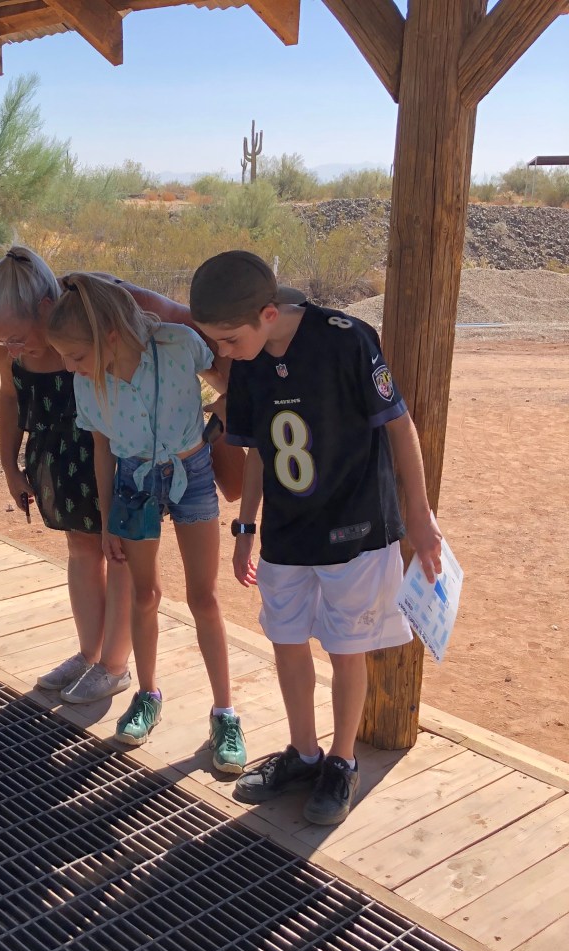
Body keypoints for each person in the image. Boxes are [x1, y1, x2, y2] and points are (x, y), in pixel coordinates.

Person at [189, 250, 444, 824]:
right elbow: (253, 451)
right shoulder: (248, 361)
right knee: (285, 638)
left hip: (355, 528)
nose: (224, 354)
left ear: (268, 313)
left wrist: (421, 517)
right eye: (217, 344)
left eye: (230, 340)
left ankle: (343, 761)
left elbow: (400, 426)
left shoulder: (347, 339)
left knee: (345, 646)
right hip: (287, 531)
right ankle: (303, 753)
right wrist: (245, 527)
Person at [0, 247, 244, 706]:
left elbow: (197, 333)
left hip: (127, 454)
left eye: (16, 338)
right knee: (81, 547)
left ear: (47, 308)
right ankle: (89, 654)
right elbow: (11, 396)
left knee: (122, 554)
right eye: (1, 342)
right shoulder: (14, 346)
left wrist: (231, 406)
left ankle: (116, 665)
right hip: (63, 453)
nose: (10, 350)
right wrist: (8, 463)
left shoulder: (105, 306)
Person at [45, 272, 246, 773]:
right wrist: (109, 516)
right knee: (144, 595)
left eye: (74, 355)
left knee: (205, 597)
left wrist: (228, 405)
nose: (68, 366)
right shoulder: (86, 384)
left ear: (108, 336)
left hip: (193, 470)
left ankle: (225, 713)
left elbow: (225, 378)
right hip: (133, 483)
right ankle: (147, 694)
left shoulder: (178, 345)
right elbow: (101, 449)